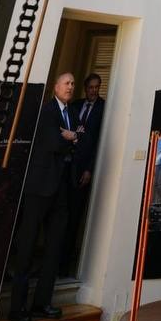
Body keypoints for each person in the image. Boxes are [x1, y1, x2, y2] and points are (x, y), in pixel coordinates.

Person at [8, 71, 78, 321]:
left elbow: (72, 142)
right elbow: (54, 143)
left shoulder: (71, 113)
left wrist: (70, 136)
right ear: (55, 87)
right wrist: (71, 138)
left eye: (73, 84)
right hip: (39, 187)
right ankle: (17, 307)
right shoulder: (47, 111)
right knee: (27, 246)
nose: (70, 87)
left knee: (53, 247)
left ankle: (42, 303)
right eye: (66, 83)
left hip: (61, 189)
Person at [60, 72, 106, 273]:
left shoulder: (104, 108)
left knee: (75, 215)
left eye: (97, 87)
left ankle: (66, 263)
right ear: (85, 88)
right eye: (90, 87)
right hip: (67, 165)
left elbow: (99, 141)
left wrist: (89, 169)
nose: (94, 91)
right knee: (61, 213)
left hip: (84, 168)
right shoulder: (75, 105)